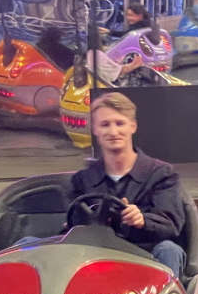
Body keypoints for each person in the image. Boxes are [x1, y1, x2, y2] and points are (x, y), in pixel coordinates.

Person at [69, 93, 186, 278]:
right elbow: (72, 227)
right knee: (29, 243)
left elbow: (171, 225)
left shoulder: (161, 174)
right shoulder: (83, 180)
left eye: (119, 123)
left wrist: (142, 220)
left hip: (145, 255)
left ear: (133, 126)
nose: (113, 132)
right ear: (95, 130)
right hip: (97, 258)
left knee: (169, 250)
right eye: (105, 125)